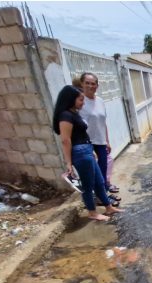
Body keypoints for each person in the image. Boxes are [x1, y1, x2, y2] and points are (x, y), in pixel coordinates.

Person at [52, 85, 122, 221]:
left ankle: (109, 207)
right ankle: (92, 212)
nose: (83, 103)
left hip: (87, 150)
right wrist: (69, 163)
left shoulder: (74, 113)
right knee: (88, 185)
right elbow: (66, 140)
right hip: (80, 153)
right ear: (70, 99)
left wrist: (91, 150)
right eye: (80, 100)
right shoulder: (65, 116)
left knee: (99, 182)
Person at [78, 72, 121, 202]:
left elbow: (103, 123)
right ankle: (96, 198)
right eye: (87, 83)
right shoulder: (79, 102)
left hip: (100, 141)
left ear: (97, 85)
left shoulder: (100, 101)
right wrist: (88, 147)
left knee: (102, 170)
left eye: (93, 83)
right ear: (82, 84)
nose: (91, 86)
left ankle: (103, 194)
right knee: (91, 173)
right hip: (86, 143)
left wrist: (107, 141)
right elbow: (77, 125)